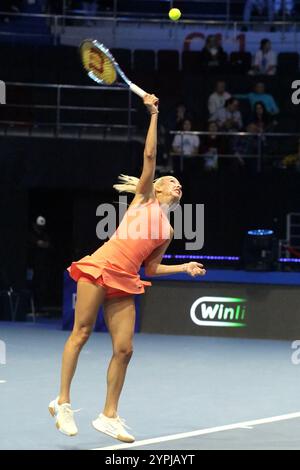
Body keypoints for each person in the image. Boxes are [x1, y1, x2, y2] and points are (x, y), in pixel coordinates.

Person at [48, 94, 206, 443]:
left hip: (126, 280)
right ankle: (62, 402)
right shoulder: (145, 197)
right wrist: (153, 115)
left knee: (125, 349)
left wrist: (183, 268)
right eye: (173, 182)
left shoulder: (168, 231)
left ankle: (109, 415)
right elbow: (150, 155)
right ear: (158, 187)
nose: (179, 185)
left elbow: (150, 268)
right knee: (82, 333)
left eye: (181, 184)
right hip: (101, 268)